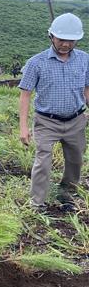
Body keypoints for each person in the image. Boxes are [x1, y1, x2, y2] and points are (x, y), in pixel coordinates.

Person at [19, 12, 88, 211]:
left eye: (71, 40)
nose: (65, 44)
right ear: (51, 36)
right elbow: (25, 95)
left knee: (75, 160)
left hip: (76, 120)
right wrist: (23, 128)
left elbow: (87, 89)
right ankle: (37, 203)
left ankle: (67, 195)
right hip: (46, 121)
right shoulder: (36, 62)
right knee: (43, 160)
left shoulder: (85, 60)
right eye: (61, 40)